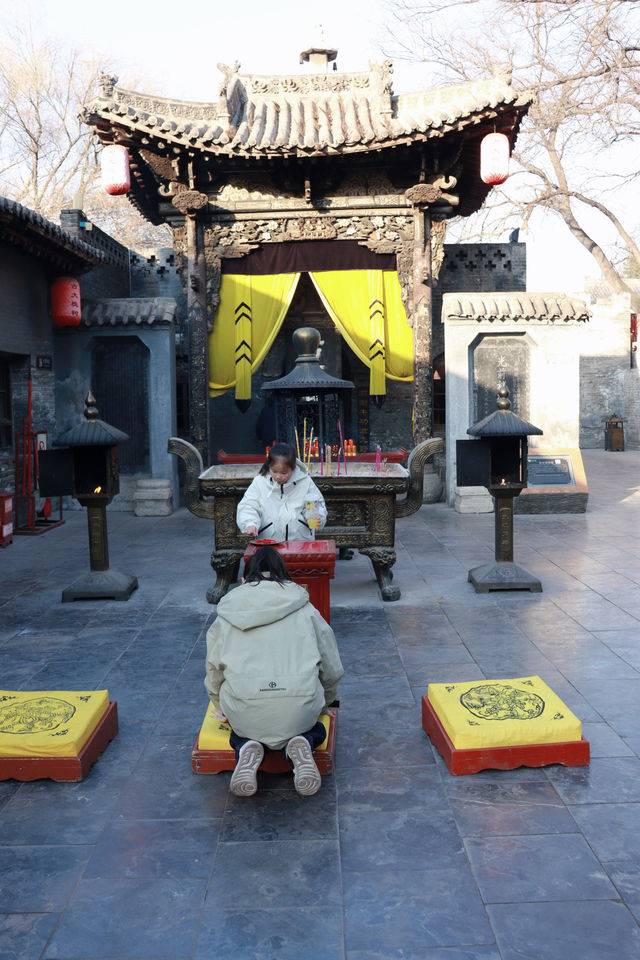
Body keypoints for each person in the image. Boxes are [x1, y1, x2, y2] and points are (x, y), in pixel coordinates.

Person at [204, 545, 343, 797]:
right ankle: (303, 742)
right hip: (299, 707)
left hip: (246, 708)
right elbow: (332, 668)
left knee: (240, 725)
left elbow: (214, 673)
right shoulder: (305, 608)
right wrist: (324, 702)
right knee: (315, 725)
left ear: (245, 579)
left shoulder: (226, 614)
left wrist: (221, 706)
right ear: (283, 577)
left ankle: (246, 745)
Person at [236, 441, 327, 542]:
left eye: (284, 472)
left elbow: (316, 504)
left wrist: (317, 516)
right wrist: (250, 523)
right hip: (269, 542)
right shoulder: (260, 482)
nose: (278, 476)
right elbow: (249, 505)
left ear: (293, 468)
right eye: (274, 471)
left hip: (300, 541)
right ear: (269, 465)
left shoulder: (305, 482)